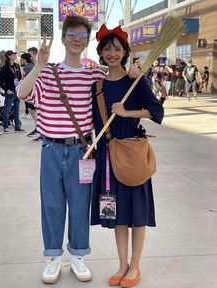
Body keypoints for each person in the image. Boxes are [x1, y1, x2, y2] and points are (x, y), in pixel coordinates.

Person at [17, 15, 140, 285]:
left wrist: (134, 71)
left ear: (86, 41)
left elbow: (118, 80)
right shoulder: (48, 72)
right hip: (51, 149)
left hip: (83, 151)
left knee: (80, 205)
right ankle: (53, 258)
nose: (76, 39)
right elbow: (22, 94)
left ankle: (78, 255)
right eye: (71, 34)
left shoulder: (95, 74)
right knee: (52, 204)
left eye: (81, 35)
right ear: (63, 39)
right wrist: (37, 66)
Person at [90, 24, 164, 287]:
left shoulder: (136, 81)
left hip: (132, 156)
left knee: (137, 212)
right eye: (107, 48)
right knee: (117, 214)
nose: (112, 53)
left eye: (117, 48)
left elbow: (156, 112)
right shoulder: (96, 85)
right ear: (100, 52)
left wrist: (127, 113)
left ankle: (135, 266)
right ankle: (121, 264)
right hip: (107, 159)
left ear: (124, 52)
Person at [0, 50, 25, 133]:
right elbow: (0, 80)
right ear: (9, 56)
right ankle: (6, 127)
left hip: (17, 92)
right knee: (7, 109)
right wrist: (6, 89)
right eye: (14, 54)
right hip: (10, 93)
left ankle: (17, 126)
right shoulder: (5, 68)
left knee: (17, 110)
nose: (16, 55)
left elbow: (20, 78)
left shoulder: (17, 66)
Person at [20, 53, 39, 137]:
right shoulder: (33, 65)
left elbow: (29, 79)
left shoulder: (27, 67)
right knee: (33, 109)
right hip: (34, 90)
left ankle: (38, 127)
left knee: (32, 109)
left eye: (21, 59)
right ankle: (38, 127)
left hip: (30, 91)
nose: (21, 60)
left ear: (24, 59)